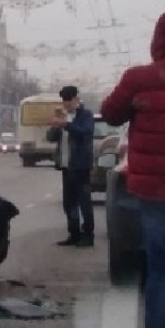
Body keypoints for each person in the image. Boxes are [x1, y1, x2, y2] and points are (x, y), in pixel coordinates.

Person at [100, 8, 165, 328]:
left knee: (161, 272)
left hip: (158, 195)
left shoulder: (139, 79)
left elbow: (110, 113)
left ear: (157, 40)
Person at [46, 85, 96, 247]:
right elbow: (51, 138)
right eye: (64, 100)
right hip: (66, 166)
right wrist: (55, 125)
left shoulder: (85, 115)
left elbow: (85, 133)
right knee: (69, 202)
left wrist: (66, 124)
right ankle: (74, 233)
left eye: (69, 100)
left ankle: (88, 235)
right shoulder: (63, 115)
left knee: (84, 202)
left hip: (81, 166)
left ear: (76, 99)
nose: (66, 104)